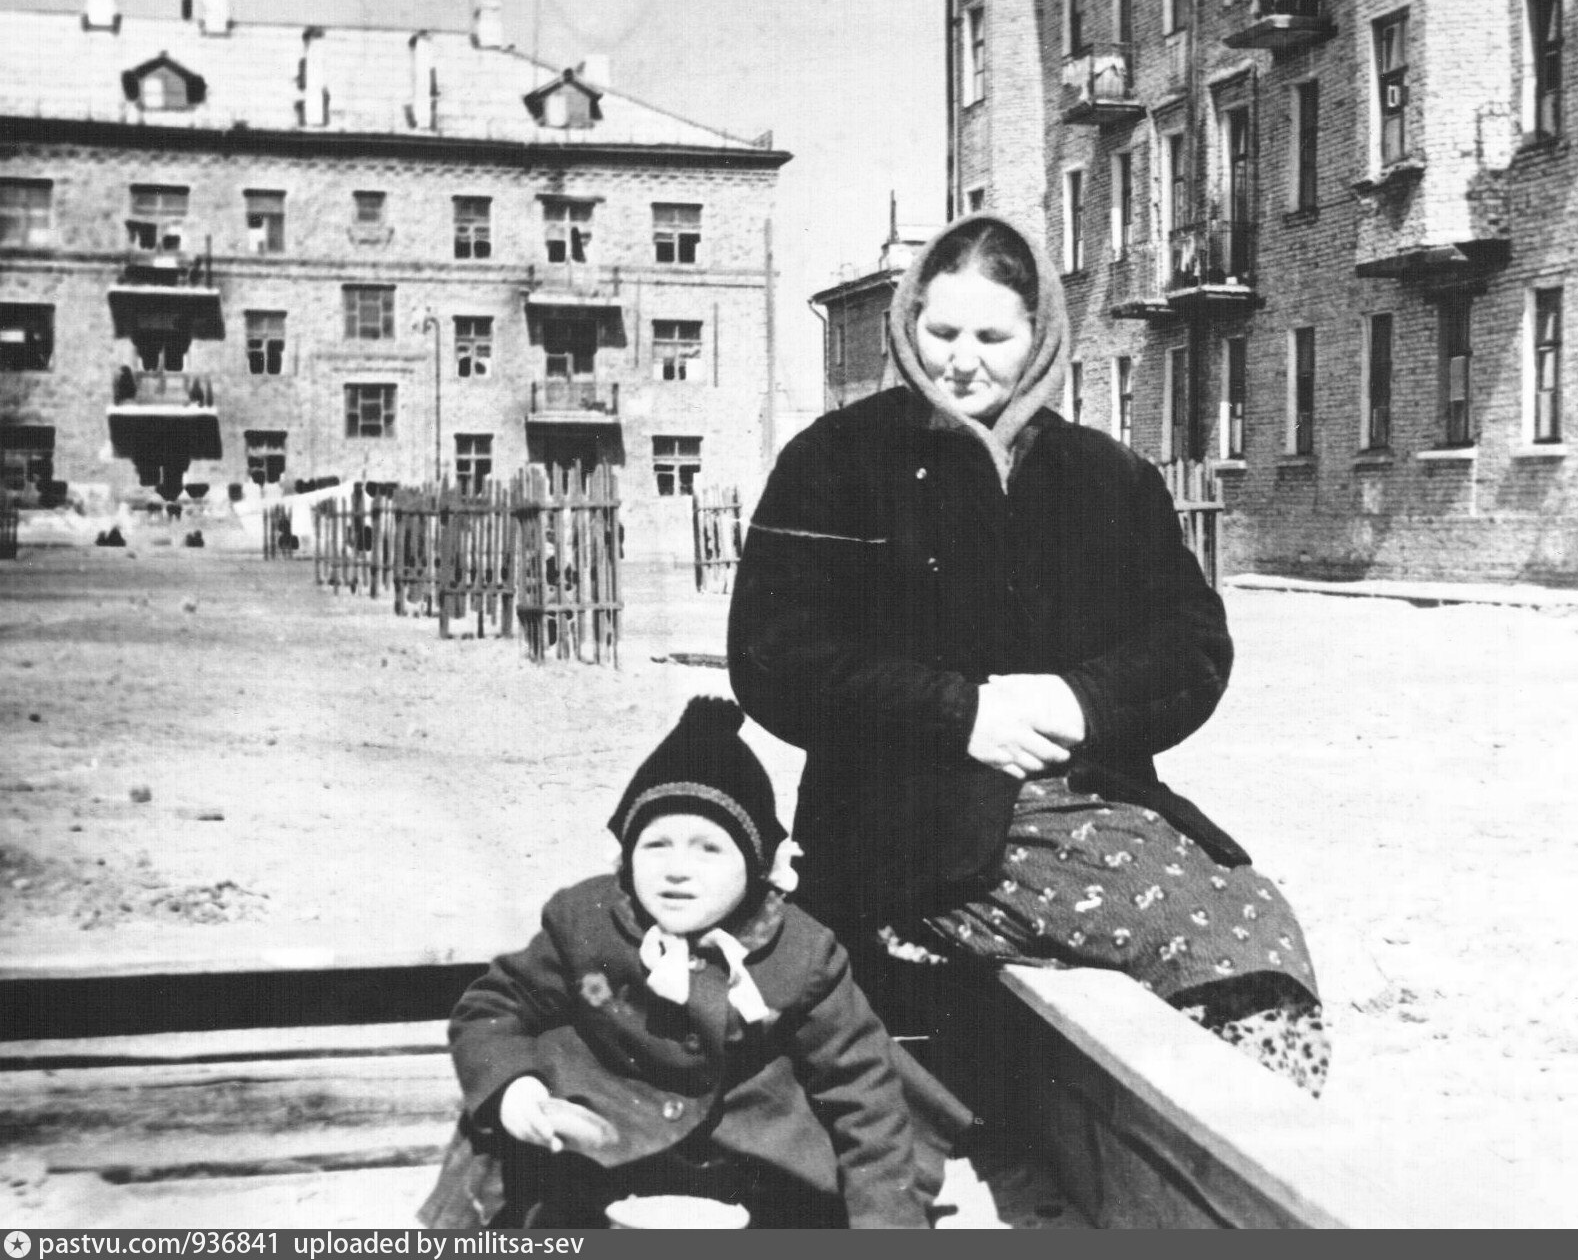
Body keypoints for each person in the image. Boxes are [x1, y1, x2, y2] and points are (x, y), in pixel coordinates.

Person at [728, 213, 1329, 1096]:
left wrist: (1079, 699)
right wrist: (958, 713)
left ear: (1038, 336)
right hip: (899, 813)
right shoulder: (835, 461)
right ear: (907, 323)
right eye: (941, 332)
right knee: (1192, 929)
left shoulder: (1104, 476)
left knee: (1254, 928)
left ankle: (1226, 1159)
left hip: (1089, 804)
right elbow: (774, 652)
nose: (960, 361)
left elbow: (1191, 644)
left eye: (991, 338)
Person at [416, 696, 970, 1229]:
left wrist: (884, 1226)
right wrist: (514, 1088)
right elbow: (493, 1007)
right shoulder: (585, 922)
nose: (678, 869)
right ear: (626, 857)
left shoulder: (803, 952)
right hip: (608, 1134)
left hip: (750, 1151)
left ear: (757, 866)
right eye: (656, 845)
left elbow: (863, 1090)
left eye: (710, 849)